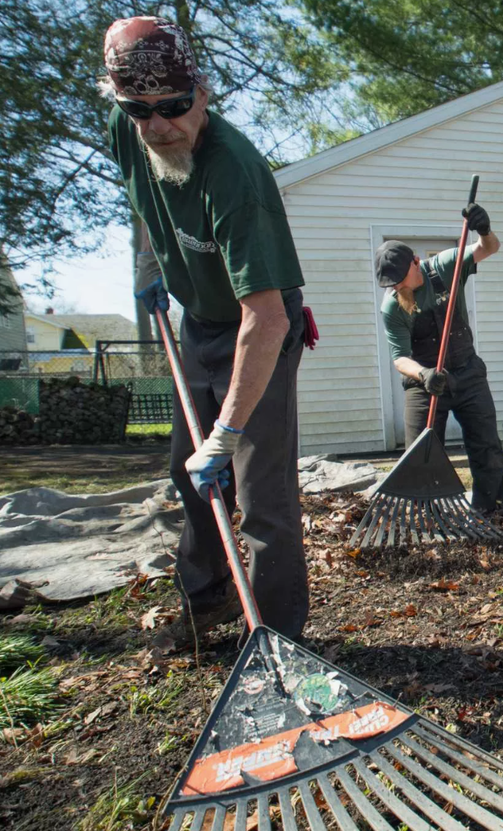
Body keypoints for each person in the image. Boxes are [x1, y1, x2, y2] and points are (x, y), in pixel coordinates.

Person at [101, 16, 309, 642]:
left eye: (174, 106)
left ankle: (278, 636)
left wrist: (227, 431)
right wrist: (149, 259)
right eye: (142, 111)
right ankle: (208, 597)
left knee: (258, 489)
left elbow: (267, 317)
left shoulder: (234, 173)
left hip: (261, 326)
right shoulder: (130, 128)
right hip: (199, 319)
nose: (160, 124)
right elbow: (144, 198)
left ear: (203, 91)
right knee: (187, 473)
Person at [375, 206, 503, 514]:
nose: (397, 288)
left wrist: (484, 230)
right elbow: (400, 358)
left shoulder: (445, 265)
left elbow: (489, 249)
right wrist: (424, 374)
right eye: (390, 284)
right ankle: (426, 518)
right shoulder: (393, 306)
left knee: (487, 448)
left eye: (400, 279)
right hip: (425, 382)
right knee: (418, 454)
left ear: (415, 262)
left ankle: (493, 515)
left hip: (467, 372)